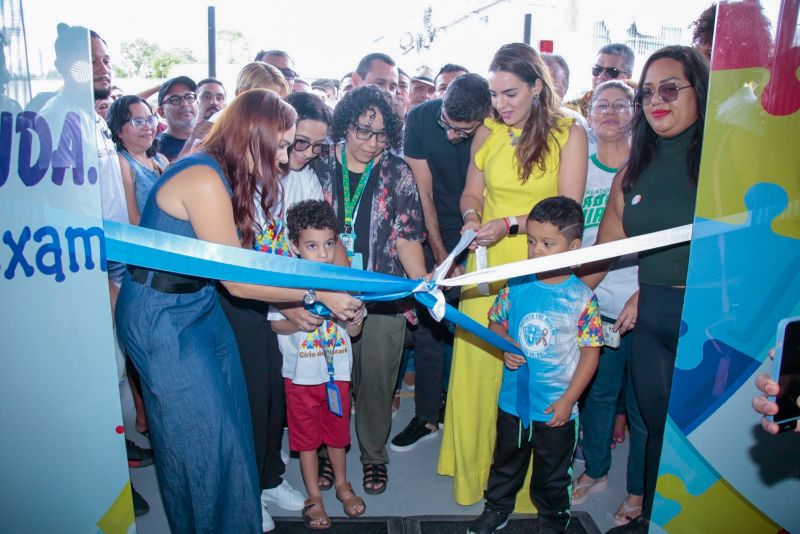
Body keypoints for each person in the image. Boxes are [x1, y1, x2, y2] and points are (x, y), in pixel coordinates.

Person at [115, 89, 362, 533]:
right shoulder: (206, 178)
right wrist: (317, 295)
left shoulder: (228, 173)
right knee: (200, 441)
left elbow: (249, 262)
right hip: (162, 317)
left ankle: (239, 517)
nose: (286, 158)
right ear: (255, 136)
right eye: (283, 145)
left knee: (232, 427)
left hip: (199, 303)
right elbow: (238, 279)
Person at [439, 42, 587, 509]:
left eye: (510, 94)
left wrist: (512, 225)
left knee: (530, 364)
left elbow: (569, 211)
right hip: (486, 265)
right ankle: (478, 476)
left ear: (538, 87)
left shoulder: (570, 132)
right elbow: (471, 193)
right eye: (494, 94)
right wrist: (469, 218)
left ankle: (526, 491)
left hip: (536, 266)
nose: (499, 105)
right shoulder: (487, 133)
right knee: (481, 366)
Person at [583, 46, 709, 533]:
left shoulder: (729, 162)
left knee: (709, 441)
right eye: (648, 92)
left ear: (700, 90)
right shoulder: (629, 176)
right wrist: (556, 298)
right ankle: (658, 519)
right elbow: (599, 254)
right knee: (660, 432)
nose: (657, 100)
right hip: (656, 318)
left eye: (671, 88)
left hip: (716, 323)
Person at [311, 85, 427, 495]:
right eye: (363, 131)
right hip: (323, 295)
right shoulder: (319, 164)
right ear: (345, 125)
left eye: (381, 135)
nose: (371, 143)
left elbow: (407, 235)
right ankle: (327, 453)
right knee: (328, 380)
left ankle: (374, 457)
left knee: (377, 382)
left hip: (382, 300)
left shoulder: (396, 171)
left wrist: (421, 283)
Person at [467, 196, 603, 534]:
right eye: (531, 241)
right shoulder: (518, 283)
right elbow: (495, 322)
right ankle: (496, 509)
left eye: (547, 243)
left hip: (555, 409)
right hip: (513, 403)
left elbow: (591, 354)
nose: (536, 251)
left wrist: (569, 400)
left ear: (573, 246)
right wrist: (504, 343)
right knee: (505, 465)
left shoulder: (582, 299)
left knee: (553, 475)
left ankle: (553, 522)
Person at [390, 73, 491, 453]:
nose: (451, 136)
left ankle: (469, 413)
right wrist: (441, 258)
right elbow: (424, 196)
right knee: (431, 326)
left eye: (462, 132)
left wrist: (471, 249)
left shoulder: (497, 126)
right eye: (446, 125)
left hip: (485, 230)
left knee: (480, 327)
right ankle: (427, 414)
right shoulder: (419, 119)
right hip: (433, 230)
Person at [569, 81, 646, 527]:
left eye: (622, 105)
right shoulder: (580, 168)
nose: (611, 113)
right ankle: (595, 469)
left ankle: (637, 490)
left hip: (643, 297)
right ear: (589, 111)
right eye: (602, 105)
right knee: (596, 392)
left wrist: (647, 291)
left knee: (640, 405)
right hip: (592, 298)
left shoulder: (647, 167)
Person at [270, 200, 367, 529]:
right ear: (295, 245)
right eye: (312, 246)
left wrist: (354, 318)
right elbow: (274, 324)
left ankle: (342, 484)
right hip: (300, 379)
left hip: (336, 376)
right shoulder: (286, 285)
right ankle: (314, 495)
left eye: (329, 244)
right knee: (306, 441)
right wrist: (300, 321)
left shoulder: (343, 282)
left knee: (338, 436)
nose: (323, 254)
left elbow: (355, 331)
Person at [107, 95, 168, 225]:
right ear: (119, 131)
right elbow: (133, 220)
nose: (148, 127)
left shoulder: (161, 159)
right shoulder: (122, 163)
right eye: (138, 121)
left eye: (151, 120)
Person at [567, 43, 635, 118]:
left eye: (611, 72)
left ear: (628, 77)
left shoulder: (637, 113)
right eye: (597, 69)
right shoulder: (571, 110)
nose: (601, 76)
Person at [155, 75, 198, 161]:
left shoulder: (210, 139)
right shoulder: (156, 149)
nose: (185, 103)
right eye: (175, 99)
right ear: (161, 112)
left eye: (189, 97)